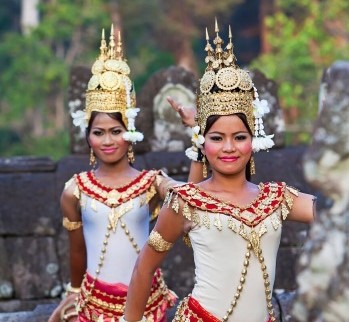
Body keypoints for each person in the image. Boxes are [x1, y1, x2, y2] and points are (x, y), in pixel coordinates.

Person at [121, 20, 316, 322]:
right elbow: (144, 267)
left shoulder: (276, 199)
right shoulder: (184, 202)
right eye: (216, 138)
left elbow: (331, 211)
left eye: (239, 137)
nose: (229, 148)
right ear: (202, 141)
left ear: (254, 139)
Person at [48, 25, 197, 322]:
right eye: (99, 132)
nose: (107, 140)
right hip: (93, 306)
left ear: (129, 133)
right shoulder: (74, 190)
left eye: (116, 131)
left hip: (147, 305)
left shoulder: (151, 183)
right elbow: (77, 251)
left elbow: (191, 198)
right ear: (87, 137)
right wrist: (73, 293)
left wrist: (197, 134)